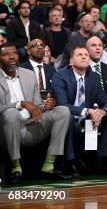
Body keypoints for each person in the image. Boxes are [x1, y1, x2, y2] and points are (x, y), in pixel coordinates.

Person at [0, 42, 71, 183]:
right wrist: (20, 103)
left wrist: (46, 105)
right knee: (11, 113)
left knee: (63, 111)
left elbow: (37, 105)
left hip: (32, 124)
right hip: (8, 129)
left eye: (13, 53)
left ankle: (49, 164)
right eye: (6, 54)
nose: (12, 57)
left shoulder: (29, 75)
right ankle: (16, 166)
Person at [52, 46, 107, 174]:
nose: (84, 57)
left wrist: (102, 112)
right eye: (80, 54)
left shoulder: (93, 77)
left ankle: (101, 158)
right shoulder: (60, 76)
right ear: (72, 61)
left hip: (88, 116)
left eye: (86, 55)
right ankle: (69, 162)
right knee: (68, 117)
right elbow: (62, 105)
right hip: (68, 115)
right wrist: (88, 111)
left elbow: (106, 101)